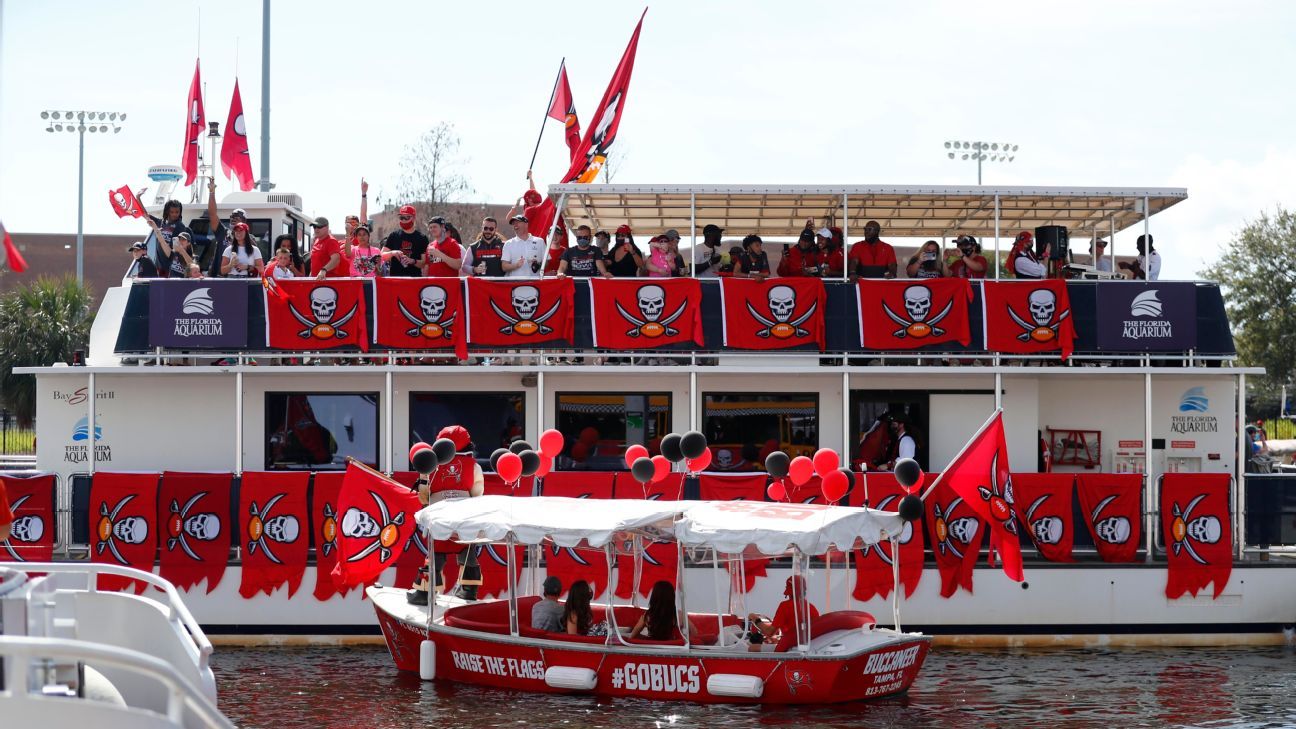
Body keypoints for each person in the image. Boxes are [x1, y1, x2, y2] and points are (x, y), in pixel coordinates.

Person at [409, 425, 486, 605]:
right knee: (467, 550)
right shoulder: (474, 466)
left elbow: (423, 495)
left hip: (439, 514)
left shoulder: (429, 463)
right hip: (465, 516)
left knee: (436, 553)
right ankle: (469, 590)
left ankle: (425, 594)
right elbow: (478, 493)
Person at [746, 575, 820, 650]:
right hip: (806, 648)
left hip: (790, 649)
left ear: (788, 591)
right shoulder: (812, 608)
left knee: (751, 648)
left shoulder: (785, 606)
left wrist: (754, 618)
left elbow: (769, 632)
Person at [629, 581, 700, 641]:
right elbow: (694, 633)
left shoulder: (648, 616)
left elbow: (633, 636)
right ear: (672, 597)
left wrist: (647, 639)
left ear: (654, 597)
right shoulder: (679, 616)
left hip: (653, 650)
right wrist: (682, 640)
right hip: (673, 649)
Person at [382, 205, 430, 277]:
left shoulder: (422, 238)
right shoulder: (393, 235)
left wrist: (413, 261)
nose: (404, 220)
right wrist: (393, 253)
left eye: (407, 217)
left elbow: (424, 263)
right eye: (401, 217)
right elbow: (382, 255)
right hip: (395, 280)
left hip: (414, 280)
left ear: (414, 218)